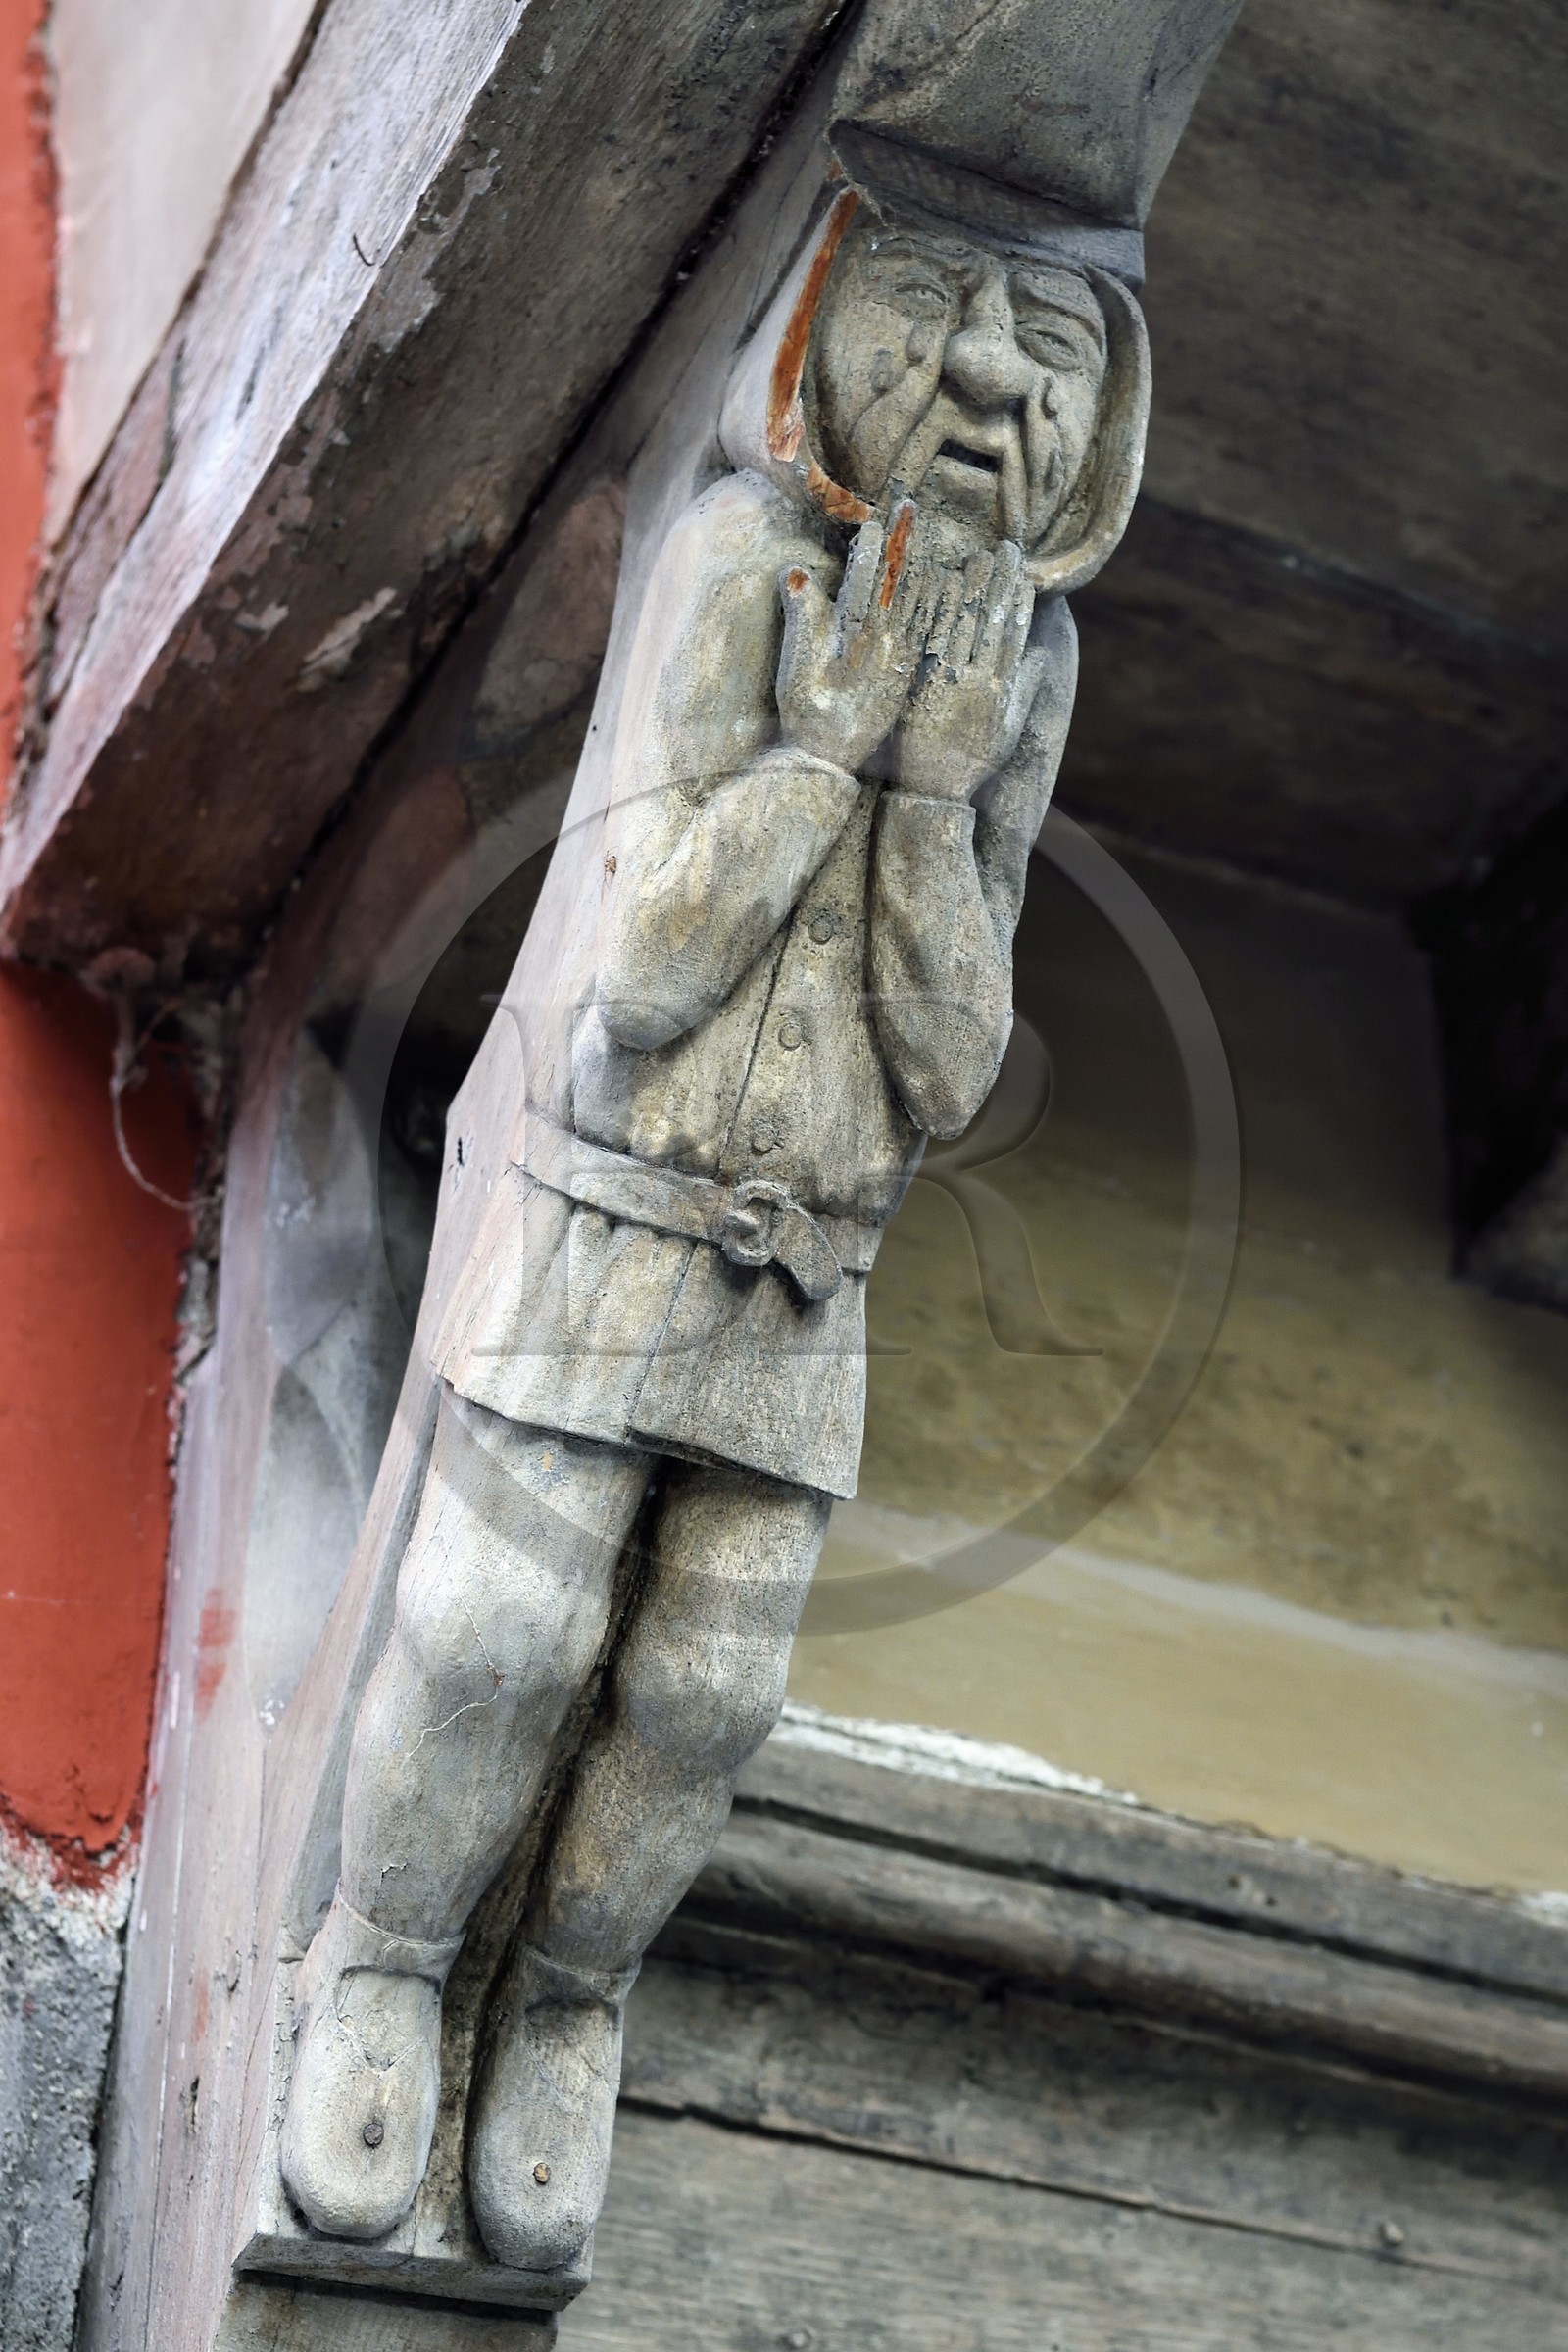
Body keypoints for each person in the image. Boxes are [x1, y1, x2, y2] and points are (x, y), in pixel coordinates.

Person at [278, 188, 1144, 2274]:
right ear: (833, 323)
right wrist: (821, 762)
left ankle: (561, 2004)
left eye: (1061, 350)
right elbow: (643, 964)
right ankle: (389, 1959)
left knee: (703, 1693)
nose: (995, 381)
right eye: (940, 307)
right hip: (612, 1217)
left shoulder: (1026, 657)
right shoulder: (740, 557)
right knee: (500, 1631)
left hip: (803, 1272)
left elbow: (947, 1069)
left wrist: (932, 804)